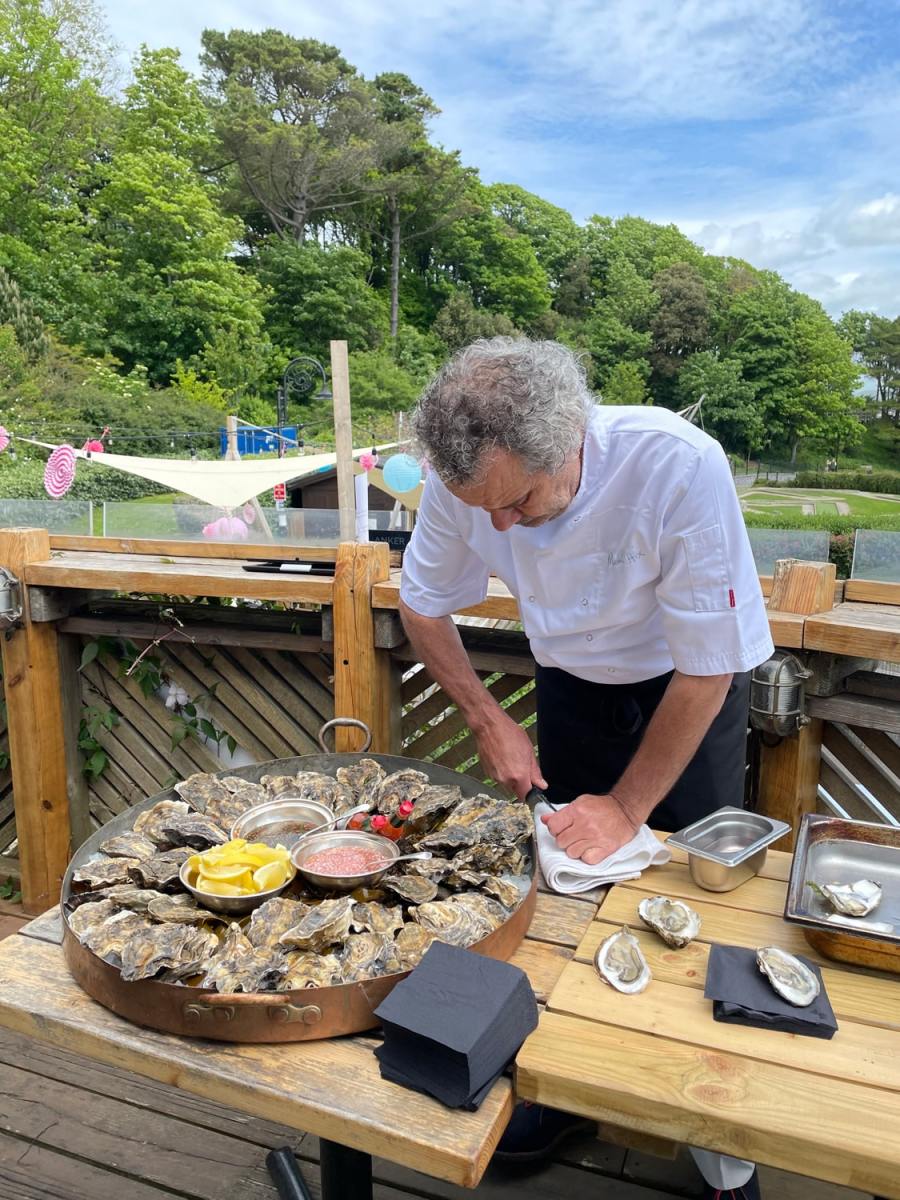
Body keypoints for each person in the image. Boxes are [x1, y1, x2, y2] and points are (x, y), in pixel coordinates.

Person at [398, 338, 774, 1200]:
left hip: (686, 693)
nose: (498, 528)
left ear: (570, 438)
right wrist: (488, 719)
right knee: (566, 898)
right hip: (567, 683)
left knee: (691, 916)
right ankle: (564, 1091)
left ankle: (723, 1156)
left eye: (518, 503)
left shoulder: (676, 464)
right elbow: (422, 603)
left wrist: (628, 806)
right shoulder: (471, 481)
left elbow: (710, 666)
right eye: (479, 507)